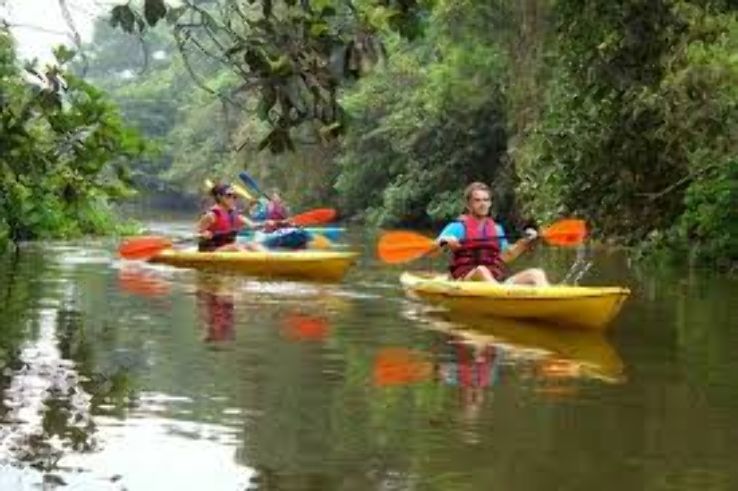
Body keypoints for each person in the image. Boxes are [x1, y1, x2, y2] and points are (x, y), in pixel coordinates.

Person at [436, 181, 549, 286]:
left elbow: (506, 256)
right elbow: (434, 248)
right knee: (482, 270)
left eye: (486, 200)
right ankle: (502, 296)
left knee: (536, 274)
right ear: (468, 205)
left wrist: (526, 242)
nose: (482, 204)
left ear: (490, 203)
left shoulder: (497, 229)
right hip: (465, 280)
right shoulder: (457, 227)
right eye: (477, 200)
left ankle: (549, 301)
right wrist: (444, 241)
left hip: (495, 282)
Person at [197, 183, 268, 252]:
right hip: (212, 251)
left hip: (228, 248)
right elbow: (197, 233)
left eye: (234, 196)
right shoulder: (211, 216)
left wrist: (266, 224)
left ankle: (271, 261)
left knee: (253, 245)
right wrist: (204, 234)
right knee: (235, 247)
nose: (232, 199)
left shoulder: (236, 215)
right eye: (229, 195)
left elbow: (254, 226)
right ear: (219, 197)